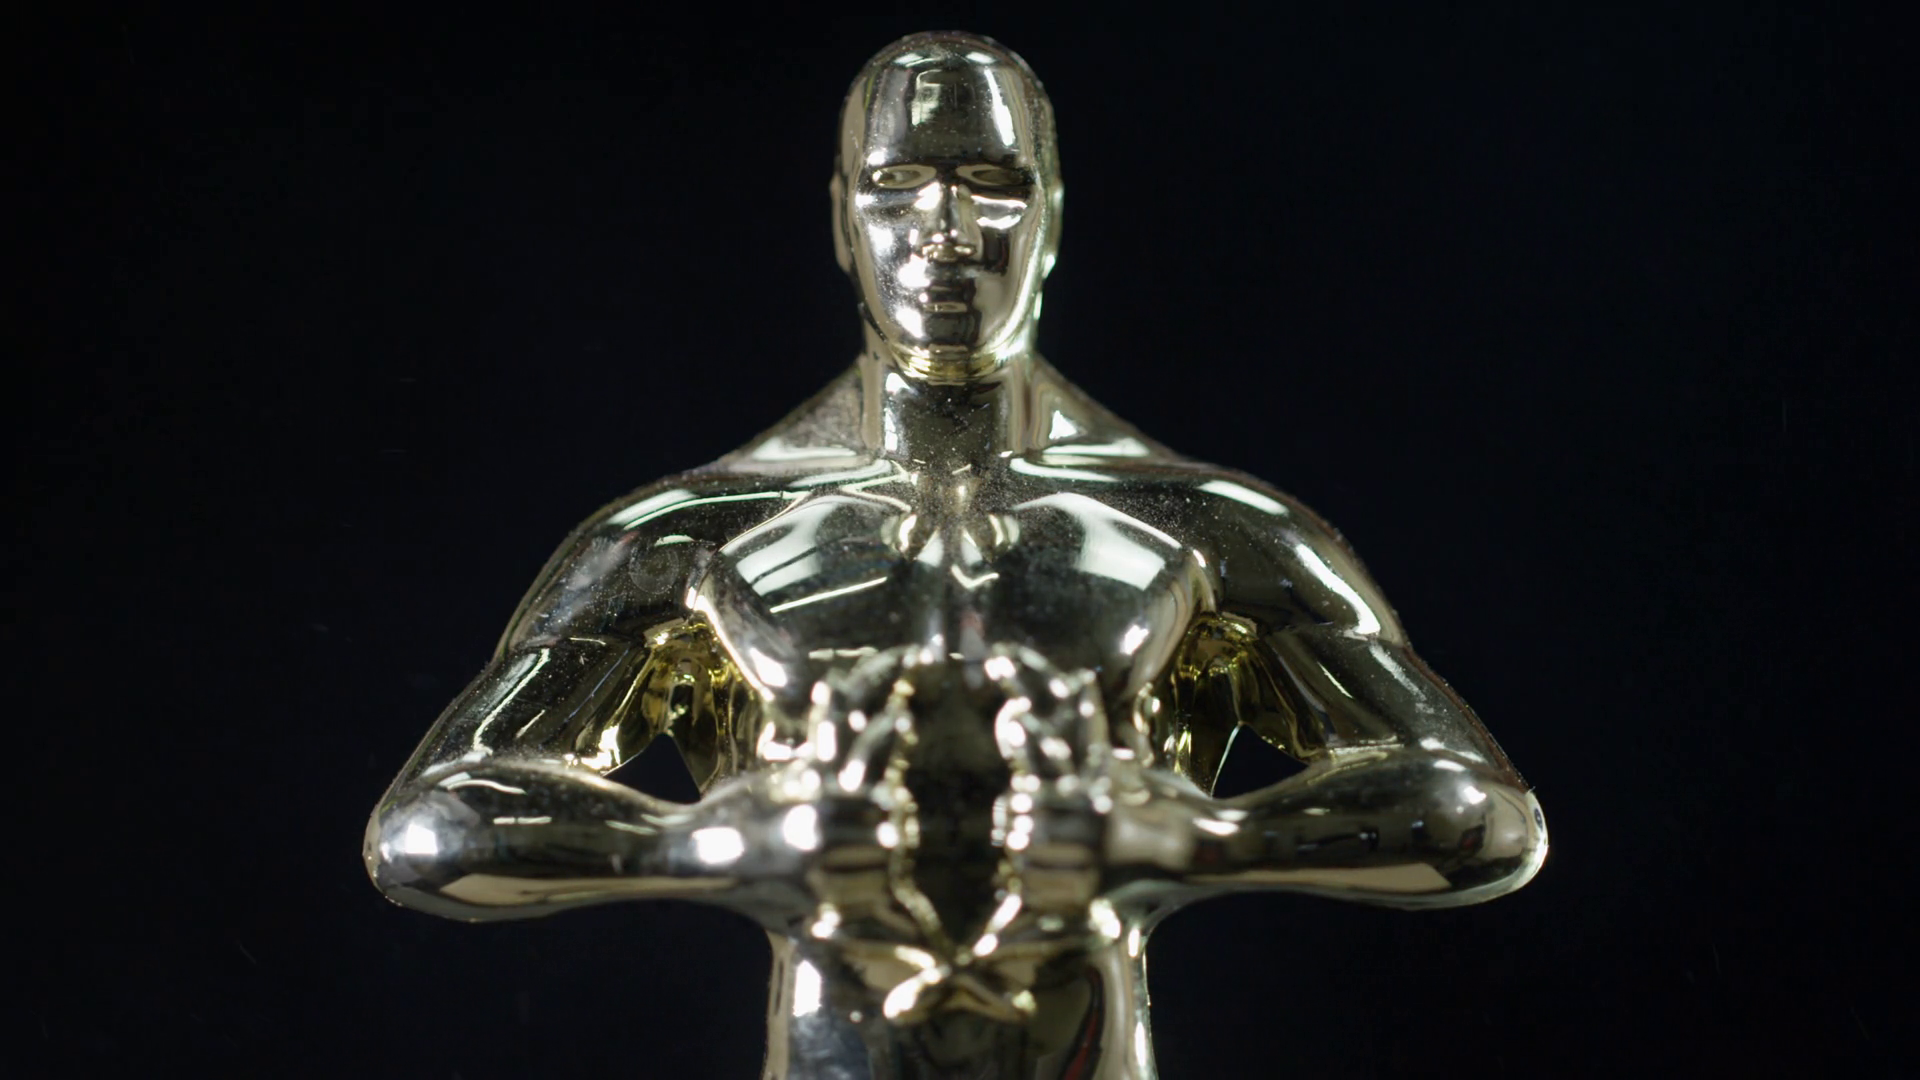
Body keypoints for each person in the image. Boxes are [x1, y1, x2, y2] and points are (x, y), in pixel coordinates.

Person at [366, 30, 1545, 1076]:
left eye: (992, 186)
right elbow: (425, 827)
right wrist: (710, 846)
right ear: (844, 218)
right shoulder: (687, 540)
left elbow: (1483, 813)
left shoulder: (1204, 531)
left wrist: (1194, 839)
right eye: (898, 187)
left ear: (1051, 215)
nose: (945, 231)